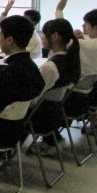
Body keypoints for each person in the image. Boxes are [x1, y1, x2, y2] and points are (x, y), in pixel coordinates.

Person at [0, 15, 45, 147]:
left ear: (9, 40)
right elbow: (8, 94)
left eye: (1, 36)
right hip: (17, 131)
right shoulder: (32, 67)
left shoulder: (9, 72)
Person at [56, 0, 97, 129]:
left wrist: (59, 10)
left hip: (66, 101)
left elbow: (61, 33)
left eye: (86, 24)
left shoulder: (82, 46)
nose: (83, 26)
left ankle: (51, 136)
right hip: (85, 102)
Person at [27, 18, 81, 155]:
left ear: (55, 36)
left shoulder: (50, 67)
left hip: (40, 118)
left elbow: (33, 98)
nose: (42, 38)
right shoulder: (69, 60)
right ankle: (54, 141)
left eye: (44, 35)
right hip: (55, 114)